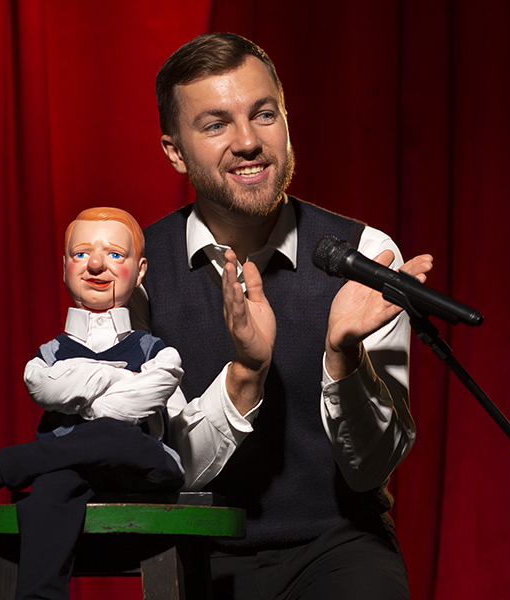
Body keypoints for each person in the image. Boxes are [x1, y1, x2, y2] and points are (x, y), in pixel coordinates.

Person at [131, 33, 434, 600]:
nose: (249, 141)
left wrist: (343, 357)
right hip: (196, 555)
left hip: (340, 550)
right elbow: (164, 468)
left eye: (263, 114)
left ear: (286, 120)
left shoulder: (366, 254)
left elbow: (370, 472)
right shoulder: (139, 276)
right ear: (175, 151)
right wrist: (247, 372)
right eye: (216, 124)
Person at [0, 207, 186, 600]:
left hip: (141, 468)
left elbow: (134, 407)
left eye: (115, 254)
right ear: (64, 266)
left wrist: (79, 387)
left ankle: (2, 468)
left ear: (141, 268)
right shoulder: (46, 356)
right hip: (69, 473)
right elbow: (43, 387)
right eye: (81, 253)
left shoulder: (159, 354)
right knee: (51, 489)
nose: (97, 264)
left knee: (119, 435)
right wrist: (120, 377)